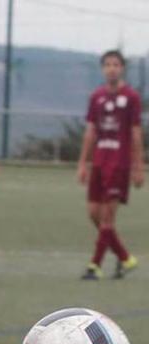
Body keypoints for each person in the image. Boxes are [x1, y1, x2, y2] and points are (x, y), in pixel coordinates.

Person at [76, 49, 144, 280]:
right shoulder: (96, 97)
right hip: (99, 163)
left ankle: (94, 265)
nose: (112, 68)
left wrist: (138, 166)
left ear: (122, 68)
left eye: (116, 64)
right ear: (103, 69)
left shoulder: (131, 98)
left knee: (107, 218)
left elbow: (135, 133)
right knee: (93, 213)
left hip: (120, 164)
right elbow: (90, 132)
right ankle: (125, 258)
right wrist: (83, 163)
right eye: (107, 64)